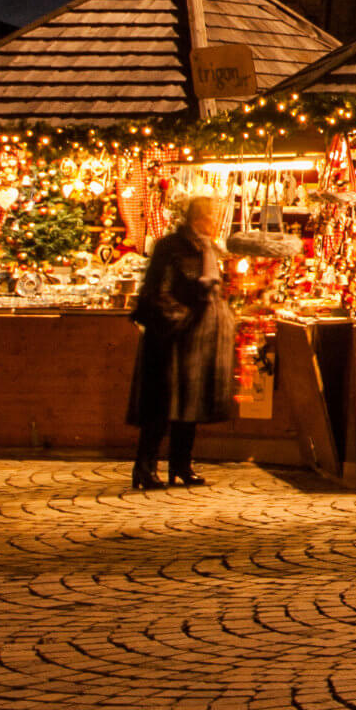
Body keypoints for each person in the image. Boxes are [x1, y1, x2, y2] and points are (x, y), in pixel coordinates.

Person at [127, 196, 235, 491]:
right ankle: (145, 467)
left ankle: (181, 464)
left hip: (198, 339)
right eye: (212, 216)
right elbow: (157, 291)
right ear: (198, 218)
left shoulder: (208, 248)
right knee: (160, 404)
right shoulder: (172, 247)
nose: (215, 222)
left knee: (190, 404)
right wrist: (181, 318)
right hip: (171, 338)